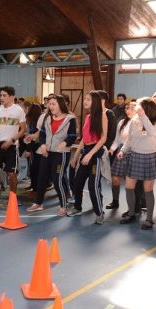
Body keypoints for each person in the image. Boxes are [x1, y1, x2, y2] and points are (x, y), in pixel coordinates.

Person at [118, 97, 156, 230]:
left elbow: (150, 132)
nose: (136, 108)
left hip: (150, 157)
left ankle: (149, 219)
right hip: (135, 156)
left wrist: (143, 116)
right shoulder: (135, 120)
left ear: (146, 109)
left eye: (139, 106)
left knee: (148, 190)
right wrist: (123, 150)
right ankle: (131, 213)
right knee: (128, 187)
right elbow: (129, 139)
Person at [26, 95, 77, 216]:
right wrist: (43, 145)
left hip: (61, 154)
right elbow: (42, 134)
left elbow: (72, 135)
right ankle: (38, 203)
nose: (50, 106)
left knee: (57, 179)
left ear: (60, 105)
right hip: (47, 152)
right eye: (49, 104)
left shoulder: (70, 119)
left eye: (53, 104)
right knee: (42, 177)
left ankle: (63, 206)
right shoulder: (47, 118)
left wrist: (65, 143)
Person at [67, 91, 108, 224]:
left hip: (95, 154)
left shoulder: (102, 116)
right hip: (86, 152)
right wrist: (76, 156)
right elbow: (84, 139)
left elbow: (103, 138)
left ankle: (99, 213)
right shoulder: (88, 117)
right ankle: (77, 207)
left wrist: (90, 154)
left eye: (88, 99)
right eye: (85, 99)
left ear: (95, 102)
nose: (85, 101)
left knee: (93, 185)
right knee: (77, 182)